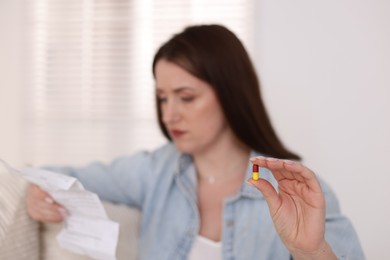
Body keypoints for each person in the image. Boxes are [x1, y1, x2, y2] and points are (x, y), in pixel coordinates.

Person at [26, 24, 364, 259]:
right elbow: (54, 175)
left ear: (230, 95)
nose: (170, 114)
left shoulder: (294, 192)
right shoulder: (154, 170)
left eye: (186, 97)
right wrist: (37, 191)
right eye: (162, 98)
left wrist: (310, 252)